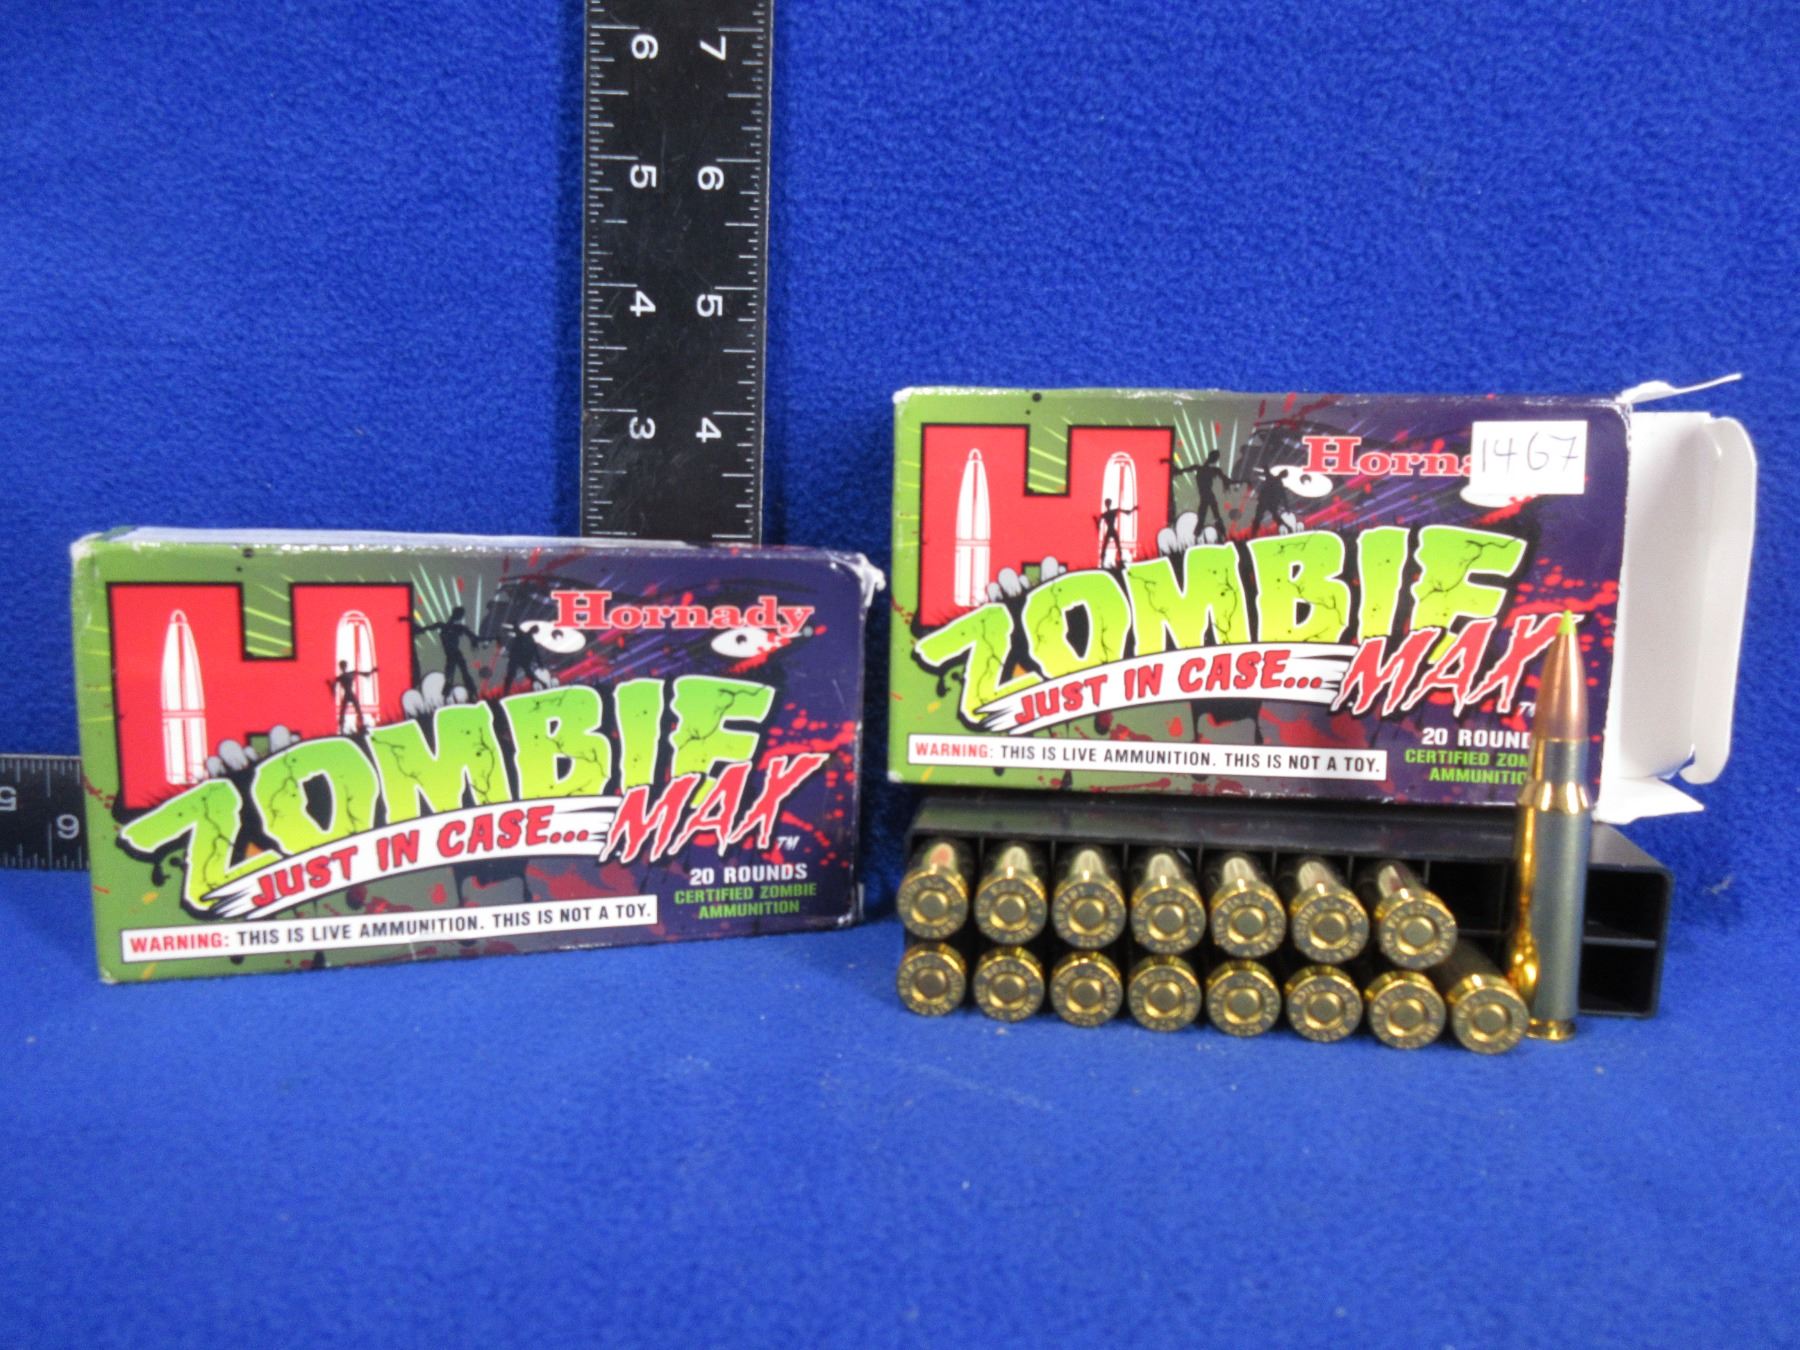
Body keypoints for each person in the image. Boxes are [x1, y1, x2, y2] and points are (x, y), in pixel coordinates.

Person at [412, 605, 481, 691]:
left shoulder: (456, 627)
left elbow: (474, 638)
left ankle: (469, 691)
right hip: (453, 654)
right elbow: (423, 630)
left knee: (455, 675)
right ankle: (467, 690)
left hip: (454, 654)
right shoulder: (452, 627)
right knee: (455, 675)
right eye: (460, 615)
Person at [1095, 496, 1138, 568]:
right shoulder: (1106, 514)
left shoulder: (1109, 513)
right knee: (1108, 546)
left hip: (1111, 530)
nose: (1108, 505)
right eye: (1107, 503)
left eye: (1108, 503)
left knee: (1115, 545)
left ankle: (1117, 559)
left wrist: (1133, 509)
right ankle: (1103, 561)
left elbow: (1127, 512)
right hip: (1110, 530)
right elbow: (1098, 524)